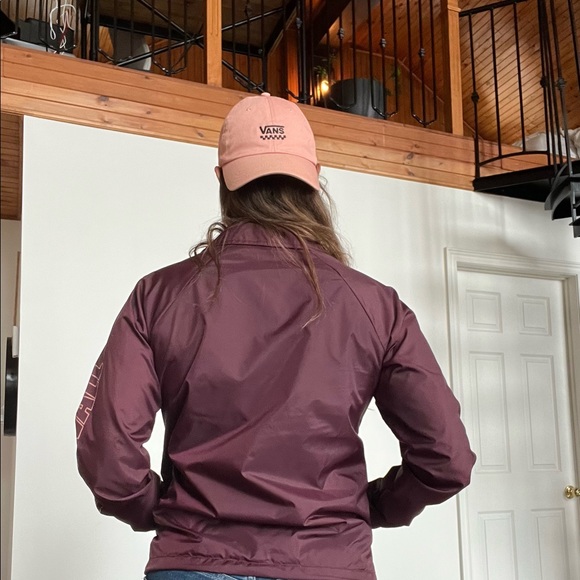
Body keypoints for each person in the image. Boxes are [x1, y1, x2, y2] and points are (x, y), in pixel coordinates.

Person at [76, 93, 476, 580]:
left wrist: (162, 512)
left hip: (192, 559)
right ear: (315, 178)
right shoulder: (375, 305)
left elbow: (109, 457)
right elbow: (447, 459)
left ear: (221, 179)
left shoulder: (158, 295)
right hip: (328, 562)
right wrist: (372, 506)